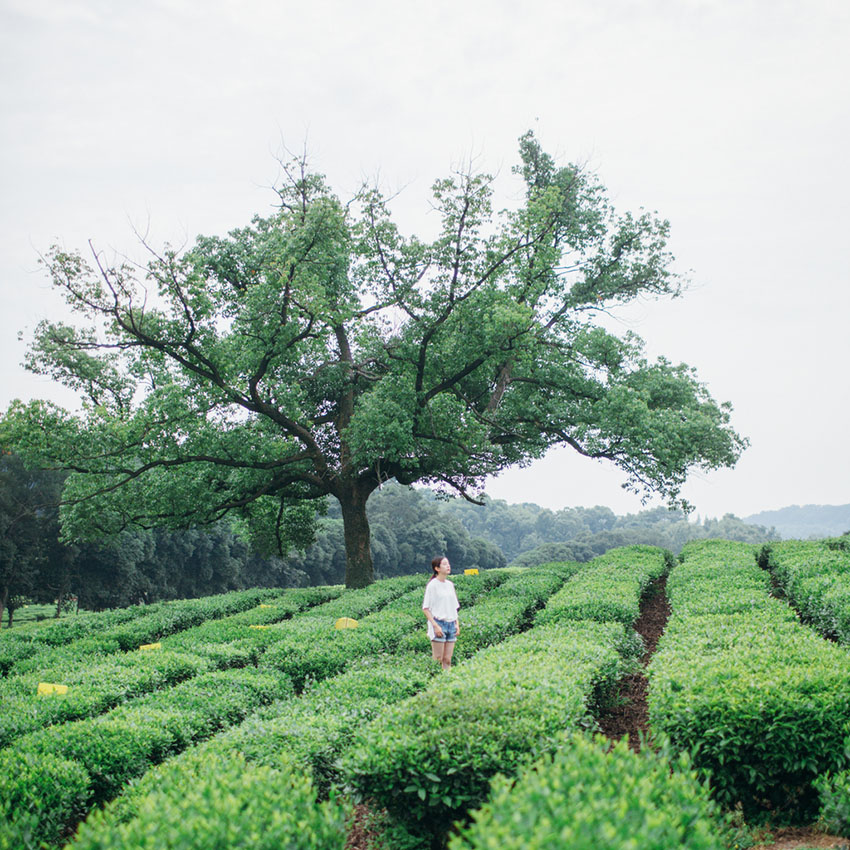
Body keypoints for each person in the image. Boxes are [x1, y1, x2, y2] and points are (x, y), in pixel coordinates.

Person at [422, 555, 460, 670]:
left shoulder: (450, 585)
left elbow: (454, 607)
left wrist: (457, 624)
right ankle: (435, 683)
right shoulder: (432, 585)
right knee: (438, 659)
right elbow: (425, 608)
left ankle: (446, 682)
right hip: (439, 624)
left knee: (447, 659)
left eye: (448, 563)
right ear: (437, 568)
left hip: (451, 623)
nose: (448, 566)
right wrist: (435, 626)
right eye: (444, 564)